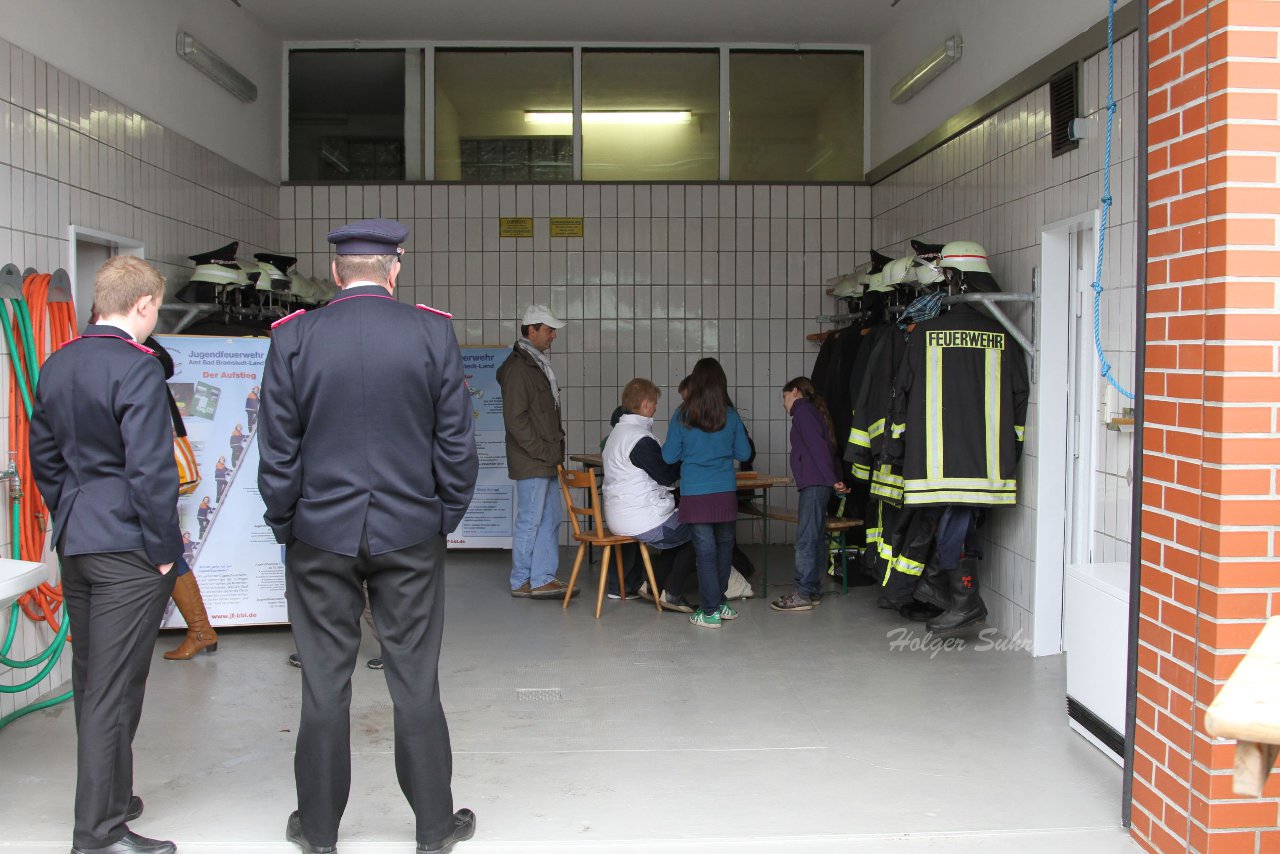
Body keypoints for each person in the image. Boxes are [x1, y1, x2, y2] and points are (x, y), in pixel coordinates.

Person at [258, 217, 479, 854]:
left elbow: (278, 450)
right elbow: (457, 445)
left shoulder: (294, 337)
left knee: (324, 681)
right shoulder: (431, 333)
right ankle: (434, 828)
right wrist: (444, 518)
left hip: (319, 533)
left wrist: (286, 523)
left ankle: (320, 832)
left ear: (334, 272)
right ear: (395, 269)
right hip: (410, 531)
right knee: (415, 678)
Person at [30, 255, 180, 854]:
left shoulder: (58, 362)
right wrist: (165, 550)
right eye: (157, 308)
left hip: (78, 540)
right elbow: (151, 470)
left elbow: (45, 456)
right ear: (143, 304)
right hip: (128, 549)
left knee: (95, 682)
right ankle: (98, 834)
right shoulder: (138, 369)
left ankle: (111, 799)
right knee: (114, 692)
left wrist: (74, 509)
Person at [662, 358, 752, 629]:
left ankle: (710, 610)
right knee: (725, 547)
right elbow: (745, 453)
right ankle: (720, 603)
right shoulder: (731, 415)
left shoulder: (683, 414)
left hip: (696, 493)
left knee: (705, 552)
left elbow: (669, 456)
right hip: (724, 492)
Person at [497, 304, 578, 600]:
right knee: (531, 519)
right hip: (534, 459)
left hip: (545, 458)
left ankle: (542, 577)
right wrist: (542, 451)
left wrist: (549, 453)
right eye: (549, 329)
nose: (553, 335)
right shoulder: (519, 368)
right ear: (532, 330)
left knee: (550, 516)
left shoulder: (536, 363)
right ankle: (521, 580)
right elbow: (515, 420)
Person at [600, 378, 696, 612]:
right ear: (644, 404)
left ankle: (651, 585)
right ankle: (671, 593)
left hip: (618, 516)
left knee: (683, 531)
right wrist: (683, 455)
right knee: (701, 529)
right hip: (642, 520)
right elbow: (666, 476)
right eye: (654, 403)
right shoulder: (639, 439)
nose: (655, 408)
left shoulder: (616, 434)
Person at [771, 377, 846, 612]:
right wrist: (833, 479)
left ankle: (802, 593)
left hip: (815, 484)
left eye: (784, 397)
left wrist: (834, 480)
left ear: (795, 392)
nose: (784, 404)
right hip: (818, 483)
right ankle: (812, 589)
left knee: (805, 539)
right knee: (813, 538)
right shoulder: (813, 412)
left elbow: (818, 448)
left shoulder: (803, 412)